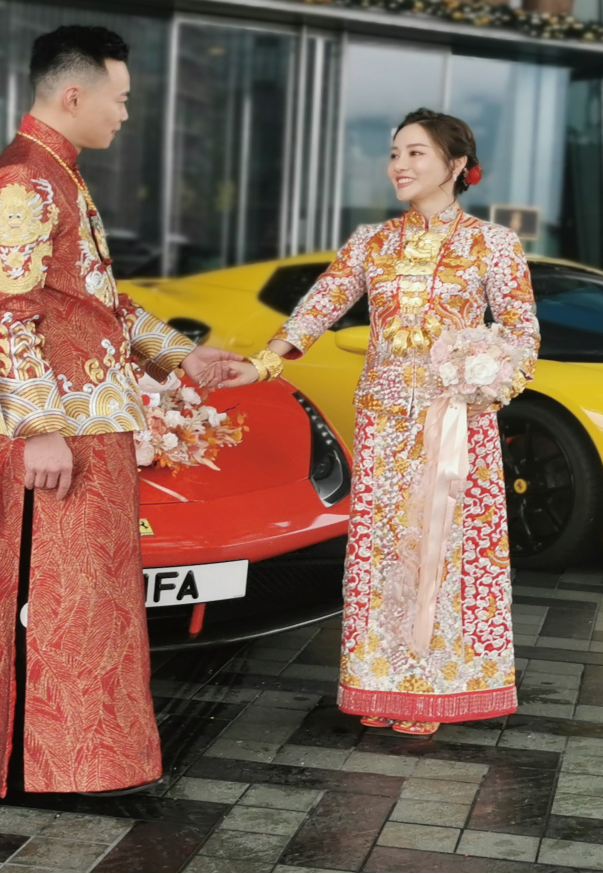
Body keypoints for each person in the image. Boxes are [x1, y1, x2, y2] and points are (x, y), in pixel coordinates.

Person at [0, 25, 244, 797]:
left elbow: (94, 303)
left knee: (89, 609)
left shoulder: (57, 173)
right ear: (74, 94)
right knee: (50, 604)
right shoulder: (24, 180)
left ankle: (85, 765)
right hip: (57, 436)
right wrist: (38, 425)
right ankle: (33, 770)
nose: (126, 113)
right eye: (122, 98)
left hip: (88, 431)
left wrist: (179, 356)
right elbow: (6, 311)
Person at [223, 108, 539, 736]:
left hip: (458, 423)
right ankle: (383, 682)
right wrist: (264, 363)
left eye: (415, 153)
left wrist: (489, 380)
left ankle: (438, 686)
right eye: (395, 153)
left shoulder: (493, 244)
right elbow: (319, 307)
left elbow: (521, 331)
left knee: (449, 550)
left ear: (455, 165)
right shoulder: (372, 241)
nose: (399, 165)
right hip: (385, 424)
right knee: (383, 552)